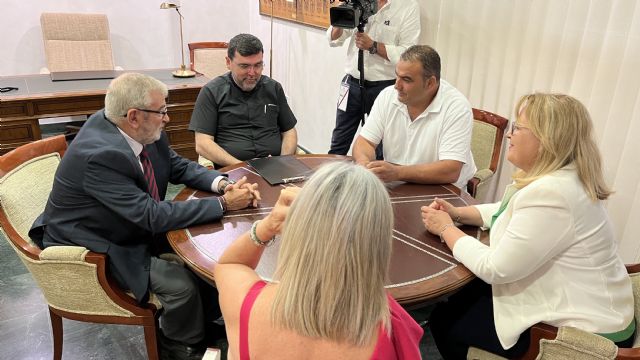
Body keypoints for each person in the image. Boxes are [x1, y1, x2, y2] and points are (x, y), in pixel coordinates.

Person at [29, 73, 261, 360]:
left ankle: (201, 326)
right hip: (94, 240)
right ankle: (181, 347)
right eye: (162, 111)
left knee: (204, 254)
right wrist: (225, 205)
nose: (166, 118)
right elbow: (151, 216)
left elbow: (178, 166)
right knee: (180, 285)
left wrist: (222, 184)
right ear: (134, 116)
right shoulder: (100, 156)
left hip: (125, 219)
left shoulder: (134, 128)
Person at [421, 93, 635, 359]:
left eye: (519, 128)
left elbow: (495, 269)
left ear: (546, 141)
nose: (510, 135)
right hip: (598, 304)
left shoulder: (553, 194)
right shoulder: (561, 179)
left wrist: (445, 229)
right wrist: (458, 214)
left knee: (447, 321)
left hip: (588, 332)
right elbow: (509, 211)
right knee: (465, 295)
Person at [214, 162, 423, 359]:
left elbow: (231, 264)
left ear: (300, 227)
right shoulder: (390, 330)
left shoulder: (244, 305)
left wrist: (268, 225)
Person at [352, 45, 476, 188]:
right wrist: (364, 165)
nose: (397, 86)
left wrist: (398, 173)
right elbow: (365, 142)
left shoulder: (457, 107)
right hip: (395, 186)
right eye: (397, 75)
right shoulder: (388, 96)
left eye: (406, 79)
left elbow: (450, 170)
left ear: (430, 83)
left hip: (442, 192)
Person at [327, 0, 421, 157]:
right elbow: (333, 39)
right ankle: (330, 180)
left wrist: (374, 46)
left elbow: (408, 54)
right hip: (351, 85)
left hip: (385, 88)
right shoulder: (358, 1)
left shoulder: (408, 6)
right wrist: (342, 13)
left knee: (381, 147)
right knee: (339, 142)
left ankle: (373, 181)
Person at [189, 33, 298, 168]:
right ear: (228, 62)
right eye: (245, 66)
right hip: (232, 170)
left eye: (258, 65)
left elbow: (289, 131)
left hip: (274, 167)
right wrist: (243, 166)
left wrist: (283, 161)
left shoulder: (273, 88)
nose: (252, 73)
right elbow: (202, 143)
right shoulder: (211, 92)